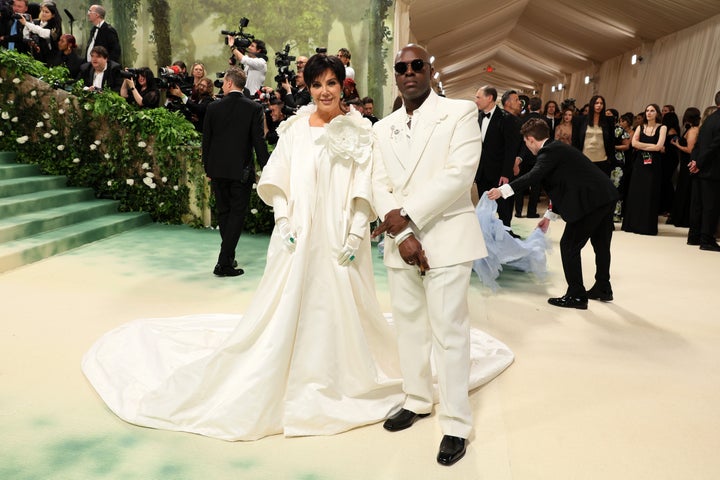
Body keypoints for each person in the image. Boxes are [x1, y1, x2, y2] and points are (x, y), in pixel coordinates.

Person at [80, 53, 515, 442]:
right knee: (397, 325)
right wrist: (285, 217)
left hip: (354, 232)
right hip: (303, 233)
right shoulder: (310, 128)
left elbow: (395, 178)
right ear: (308, 88)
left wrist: (360, 226)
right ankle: (415, 398)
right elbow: (293, 177)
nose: (324, 91)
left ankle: (455, 424)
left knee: (437, 328)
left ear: (343, 85)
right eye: (316, 84)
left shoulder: (377, 127)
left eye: (331, 83)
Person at [371, 44, 490, 467]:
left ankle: (456, 423)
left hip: (447, 237)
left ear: (429, 70)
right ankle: (417, 399)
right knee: (408, 328)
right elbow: (377, 182)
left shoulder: (459, 113)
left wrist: (407, 217)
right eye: (401, 67)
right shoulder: (381, 127)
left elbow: (459, 175)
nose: (408, 73)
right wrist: (402, 232)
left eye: (416, 65)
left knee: (449, 331)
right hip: (400, 243)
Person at [487, 118, 619, 309]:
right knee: (600, 244)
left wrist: (503, 191)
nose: (526, 145)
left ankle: (576, 295)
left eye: (526, 142)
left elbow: (534, 176)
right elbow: (561, 184)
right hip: (604, 196)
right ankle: (603, 287)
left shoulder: (549, 151)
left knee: (569, 245)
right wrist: (548, 217)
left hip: (592, 202)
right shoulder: (557, 148)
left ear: (531, 140)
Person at [203, 67, 269, 277]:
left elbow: (207, 142)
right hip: (241, 171)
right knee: (236, 216)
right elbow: (259, 142)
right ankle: (224, 262)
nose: (222, 85)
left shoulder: (213, 108)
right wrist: (267, 167)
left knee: (224, 213)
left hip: (217, 170)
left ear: (230, 83)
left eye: (223, 81)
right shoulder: (253, 108)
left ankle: (227, 256)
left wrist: (208, 168)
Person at [473, 85, 522, 231]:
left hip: (499, 173)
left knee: (503, 209)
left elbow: (510, 149)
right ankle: (487, 237)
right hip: (482, 172)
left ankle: (506, 236)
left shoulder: (506, 119)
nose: (475, 101)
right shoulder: (478, 116)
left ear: (489, 98)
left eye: (478, 97)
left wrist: (506, 174)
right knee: (484, 208)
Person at [622, 104, 667, 236]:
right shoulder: (640, 127)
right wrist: (651, 146)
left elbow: (659, 146)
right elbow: (634, 144)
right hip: (640, 164)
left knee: (650, 192)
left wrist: (644, 146)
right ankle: (632, 224)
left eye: (652, 111)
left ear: (657, 113)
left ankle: (646, 226)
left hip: (654, 165)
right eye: (647, 110)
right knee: (636, 192)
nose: (649, 113)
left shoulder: (662, 127)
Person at [687, 91, 720, 251]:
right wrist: (698, 163)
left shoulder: (708, 120)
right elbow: (715, 147)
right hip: (712, 170)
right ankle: (706, 240)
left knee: (698, 205)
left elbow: (698, 144)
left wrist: (694, 161)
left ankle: (694, 237)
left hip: (701, 169)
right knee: (711, 206)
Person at [669, 107, 700, 228]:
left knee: (685, 189)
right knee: (684, 189)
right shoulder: (693, 129)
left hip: (688, 164)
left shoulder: (692, 131)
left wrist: (677, 145)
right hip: (685, 164)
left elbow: (690, 150)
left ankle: (683, 218)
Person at [572, 95, 615, 176]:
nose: (599, 105)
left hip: (602, 159)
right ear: (592, 104)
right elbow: (575, 141)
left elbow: (611, 141)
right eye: (596, 103)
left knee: (600, 186)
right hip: (585, 158)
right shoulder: (580, 120)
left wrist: (611, 159)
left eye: (601, 103)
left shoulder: (608, 121)